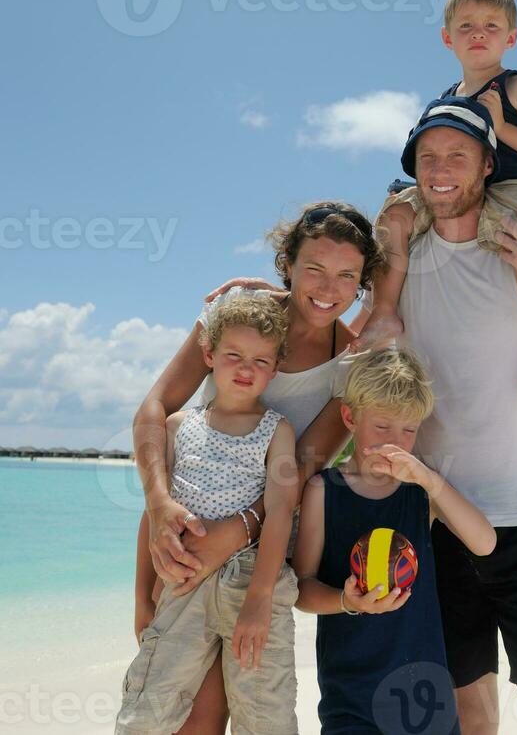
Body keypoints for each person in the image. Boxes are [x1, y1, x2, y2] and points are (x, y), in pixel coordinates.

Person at [353, 98, 517, 735]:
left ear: (488, 164)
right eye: (428, 157)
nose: (441, 169)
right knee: (469, 722)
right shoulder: (398, 259)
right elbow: (335, 332)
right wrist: (260, 298)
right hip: (437, 525)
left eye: (458, 155)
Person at [131, 201, 385, 734]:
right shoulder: (238, 315)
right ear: (286, 263)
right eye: (313, 267)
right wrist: (157, 503)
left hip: (261, 552)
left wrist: (238, 531)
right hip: (188, 525)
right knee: (183, 714)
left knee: (235, 707)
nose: (327, 287)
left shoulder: (352, 364)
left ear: (363, 282)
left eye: (347, 275)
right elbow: (156, 410)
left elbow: (301, 469)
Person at [358, 0, 517, 399]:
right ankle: (383, 311)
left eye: (491, 25)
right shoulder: (448, 96)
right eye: (467, 26)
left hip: (513, 184)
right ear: (447, 38)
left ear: (511, 37)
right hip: (460, 187)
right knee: (395, 213)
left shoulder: (515, 86)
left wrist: (501, 126)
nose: (479, 34)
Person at [116, 293, 299, 734]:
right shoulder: (179, 425)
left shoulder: (278, 431)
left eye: (260, 360)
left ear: (275, 369)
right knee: (148, 710)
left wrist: (258, 599)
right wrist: (142, 598)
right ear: (209, 355)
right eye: (234, 355)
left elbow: (280, 514)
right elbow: (153, 519)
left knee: (266, 713)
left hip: (251, 580)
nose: (246, 368)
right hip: (182, 583)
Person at [293, 346, 496, 735]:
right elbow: (301, 589)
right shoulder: (324, 491)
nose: (396, 442)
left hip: (425, 693)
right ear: (350, 418)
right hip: (350, 689)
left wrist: (430, 480)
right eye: (382, 427)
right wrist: (345, 601)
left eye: (409, 430)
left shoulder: (421, 492)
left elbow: (484, 542)